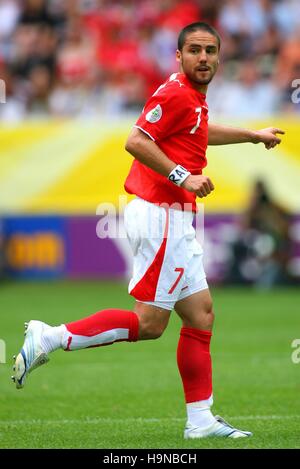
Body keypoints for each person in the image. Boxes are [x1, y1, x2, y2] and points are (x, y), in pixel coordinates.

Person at [12, 22, 284, 439]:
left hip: (173, 216)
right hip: (161, 215)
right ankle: (49, 338)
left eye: (211, 50)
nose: (204, 58)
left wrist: (251, 135)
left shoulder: (193, 99)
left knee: (201, 313)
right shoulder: (174, 91)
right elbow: (135, 139)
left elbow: (199, 134)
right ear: (178, 56)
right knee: (151, 323)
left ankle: (200, 420)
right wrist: (183, 176)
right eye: (194, 50)